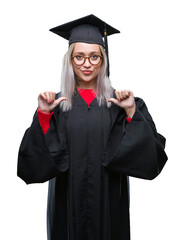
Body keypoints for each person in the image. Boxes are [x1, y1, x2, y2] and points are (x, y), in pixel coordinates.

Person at [17, 14, 168, 240]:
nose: (86, 64)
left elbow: (151, 159)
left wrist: (130, 113)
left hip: (109, 206)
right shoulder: (56, 105)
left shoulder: (120, 103)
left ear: (103, 60)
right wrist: (44, 115)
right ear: (69, 60)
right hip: (66, 207)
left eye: (94, 57)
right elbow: (31, 165)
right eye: (79, 57)